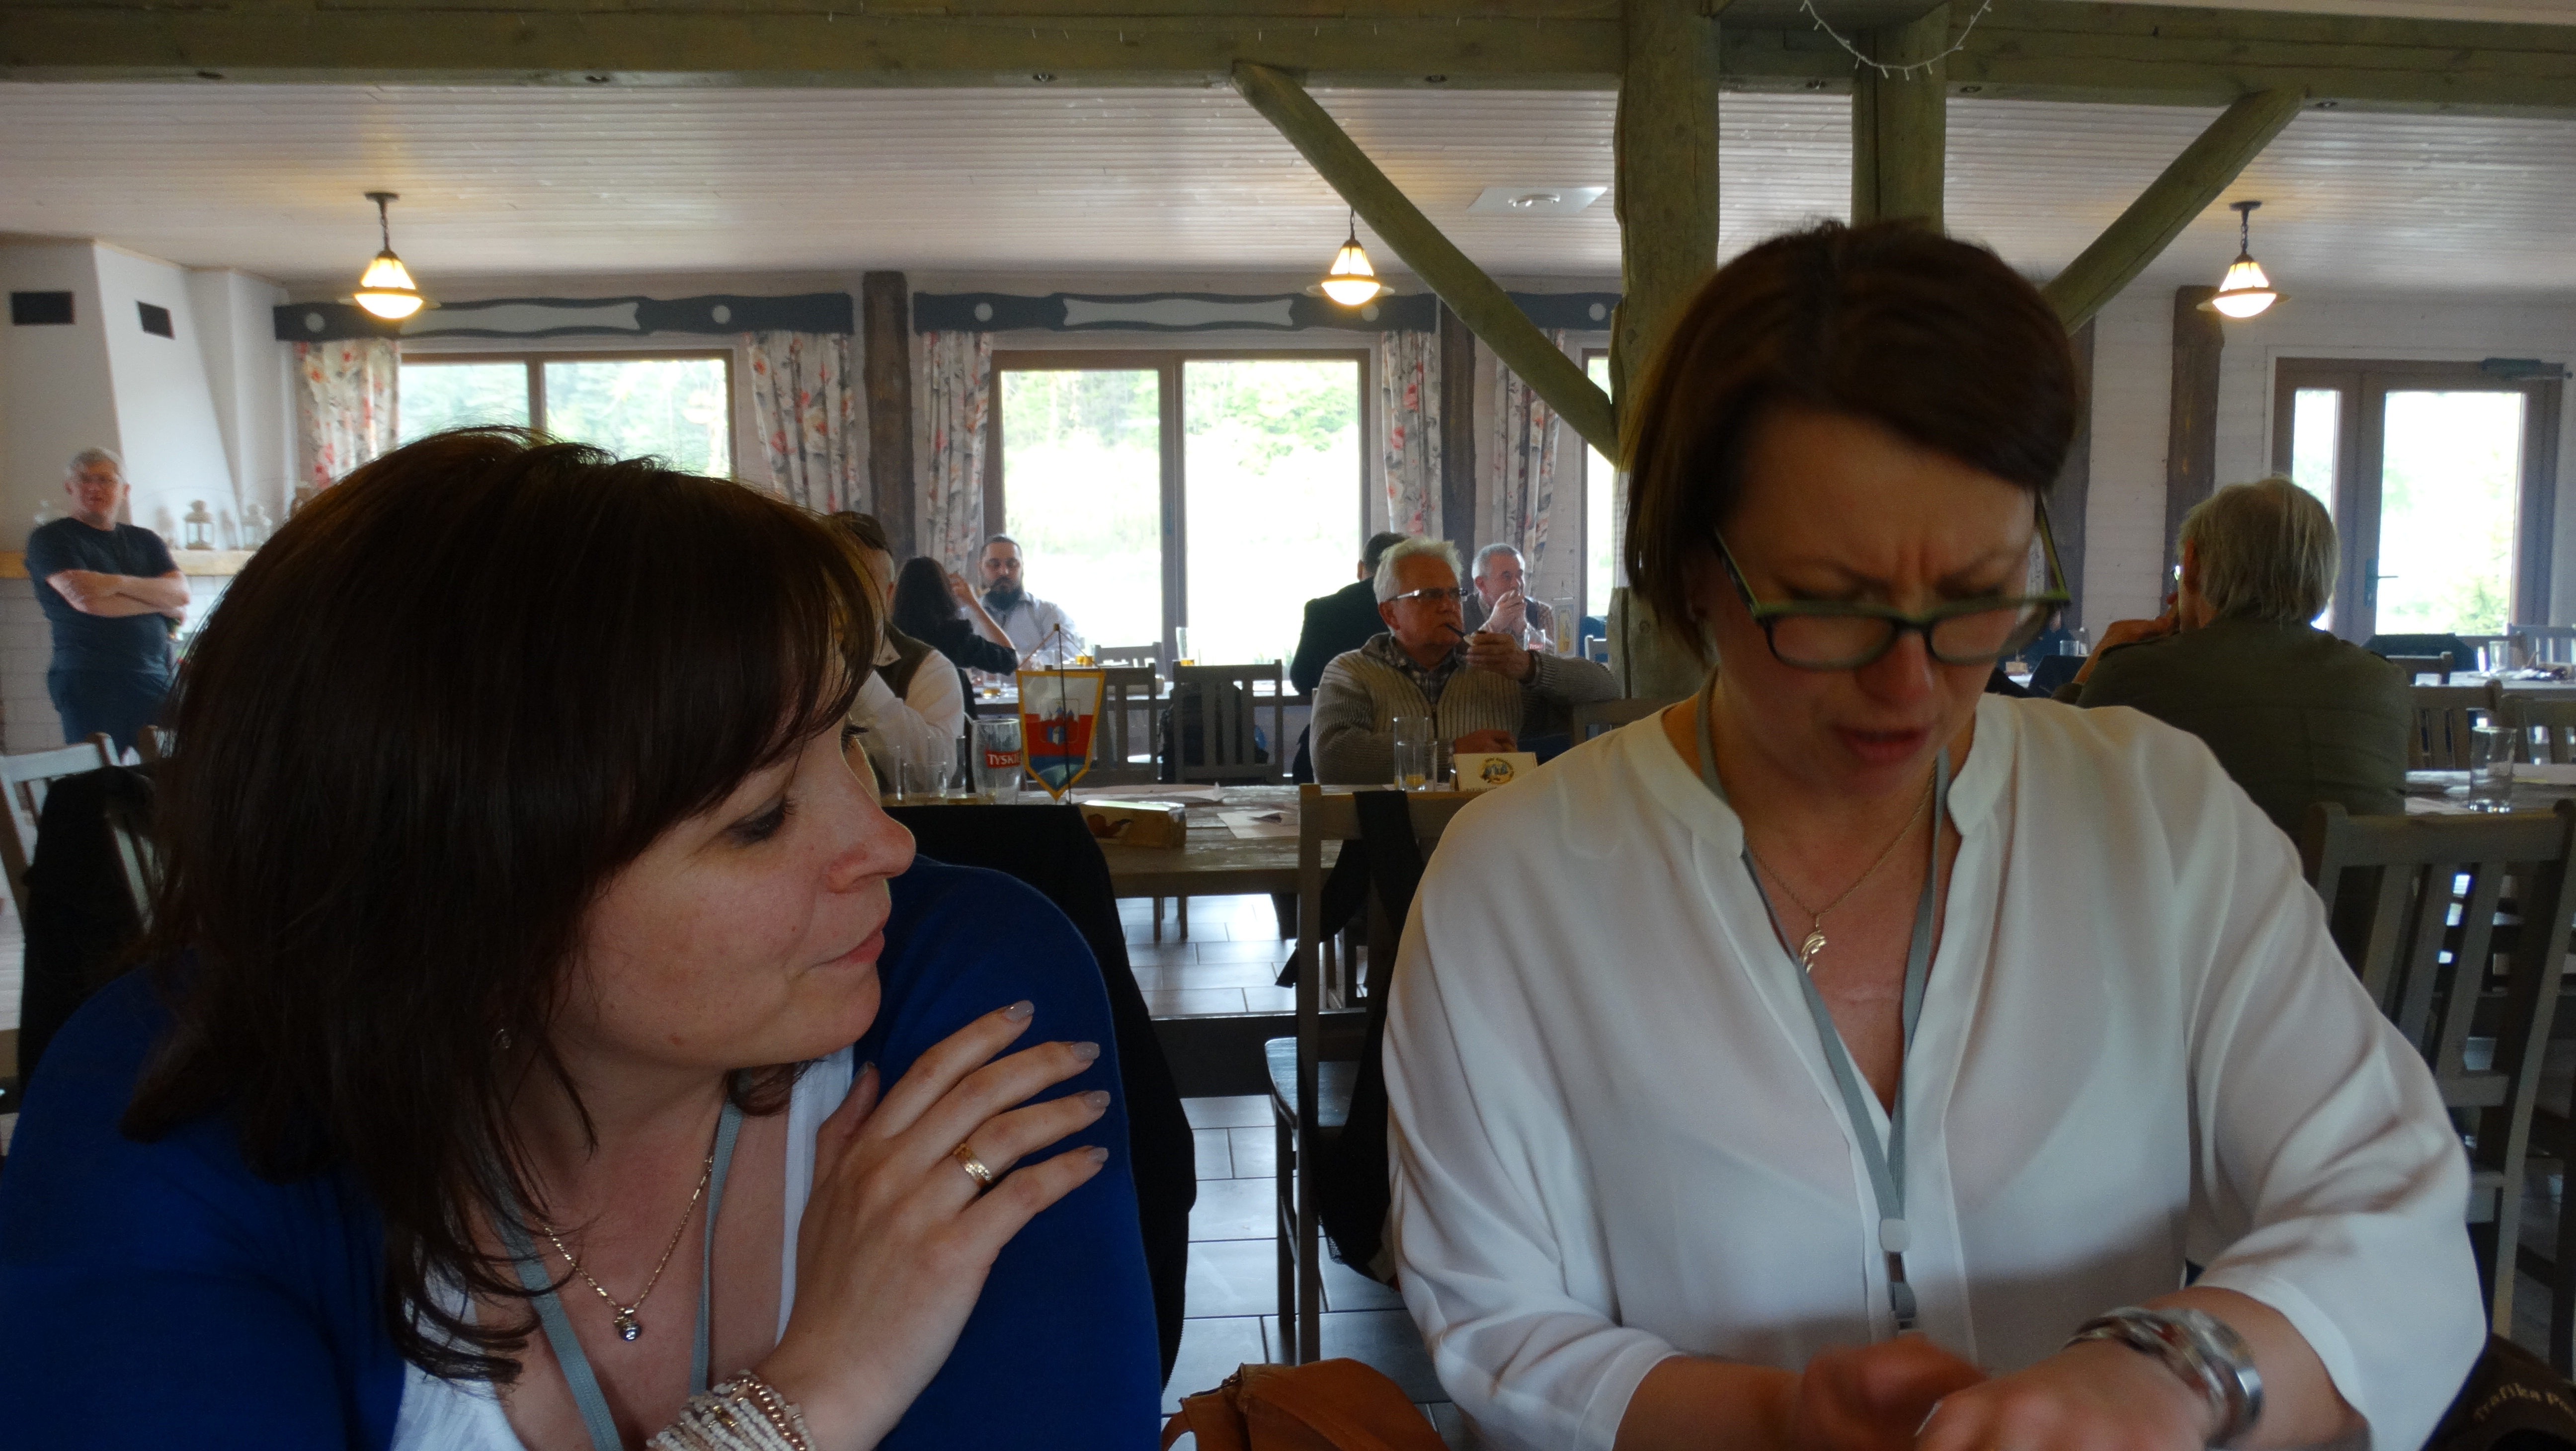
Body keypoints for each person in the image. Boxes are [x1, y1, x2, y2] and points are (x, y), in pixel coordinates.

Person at [1380, 222, 2482, 1451]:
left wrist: (2174, 1379)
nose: (1910, 685)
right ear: (1692, 568)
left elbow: (2391, 1205)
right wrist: (1772, 1417)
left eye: (1975, 597)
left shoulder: (2155, 818)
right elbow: (1497, 1319)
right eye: (1829, 603)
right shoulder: (1515, 883)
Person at [0, 430, 1162, 1449]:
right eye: (760, 817)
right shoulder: (177, 1096)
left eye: (843, 746)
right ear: (467, 906)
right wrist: (815, 1394)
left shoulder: (956, 987)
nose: (888, 845)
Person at [2053, 478, 2409, 837]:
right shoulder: (2384, 683)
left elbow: (2049, 787)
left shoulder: (2133, 672)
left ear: (2192, 563)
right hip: (2363, 877)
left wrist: (2097, 663)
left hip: (2217, 877)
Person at [1309, 537, 1615, 786]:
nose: (1448, 605)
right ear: (1390, 613)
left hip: (1487, 837)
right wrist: (1452, 753)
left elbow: (1606, 689)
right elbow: (1333, 758)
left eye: (1454, 593)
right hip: (1392, 838)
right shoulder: (1352, 672)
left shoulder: (1496, 674)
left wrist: (1528, 666)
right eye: (1429, 595)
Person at [26, 447, 187, 754]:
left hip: (156, 675)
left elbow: (180, 594)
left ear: (125, 490)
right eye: (84, 479)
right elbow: (89, 602)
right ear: (69, 487)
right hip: (92, 679)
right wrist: (160, 603)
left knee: (170, 768)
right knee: (105, 775)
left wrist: (115, 583)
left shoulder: (146, 541)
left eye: (105, 480)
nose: (94, 487)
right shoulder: (51, 538)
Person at [832, 513, 966, 784]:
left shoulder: (927, 668)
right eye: (832, 582)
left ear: (888, 595)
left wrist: (851, 669)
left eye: (859, 584)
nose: (842, 597)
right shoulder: (779, 661)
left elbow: (932, 778)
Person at [1288, 530, 1412, 781]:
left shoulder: (1322, 610)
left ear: (1360, 568)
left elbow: (1302, 679)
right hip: (1404, 747)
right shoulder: (1411, 611)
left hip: (1329, 748)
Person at [892, 555, 1020, 695]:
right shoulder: (955, 636)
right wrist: (974, 604)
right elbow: (1010, 660)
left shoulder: (890, 637)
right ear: (944, 593)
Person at [977, 534, 1082, 662]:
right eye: (994, 564)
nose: (1004, 572)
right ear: (980, 568)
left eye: (1012, 564)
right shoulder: (966, 616)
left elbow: (1068, 652)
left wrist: (1028, 663)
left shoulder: (1048, 613)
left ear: (1022, 567)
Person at [1458, 543, 1556, 649]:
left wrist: (1524, 629)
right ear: (1482, 584)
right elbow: (1459, 658)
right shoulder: (1460, 614)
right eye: (1507, 576)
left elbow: (1555, 658)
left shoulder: (1541, 612)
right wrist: (1493, 626)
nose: (1517, 584)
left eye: (1519, 575)